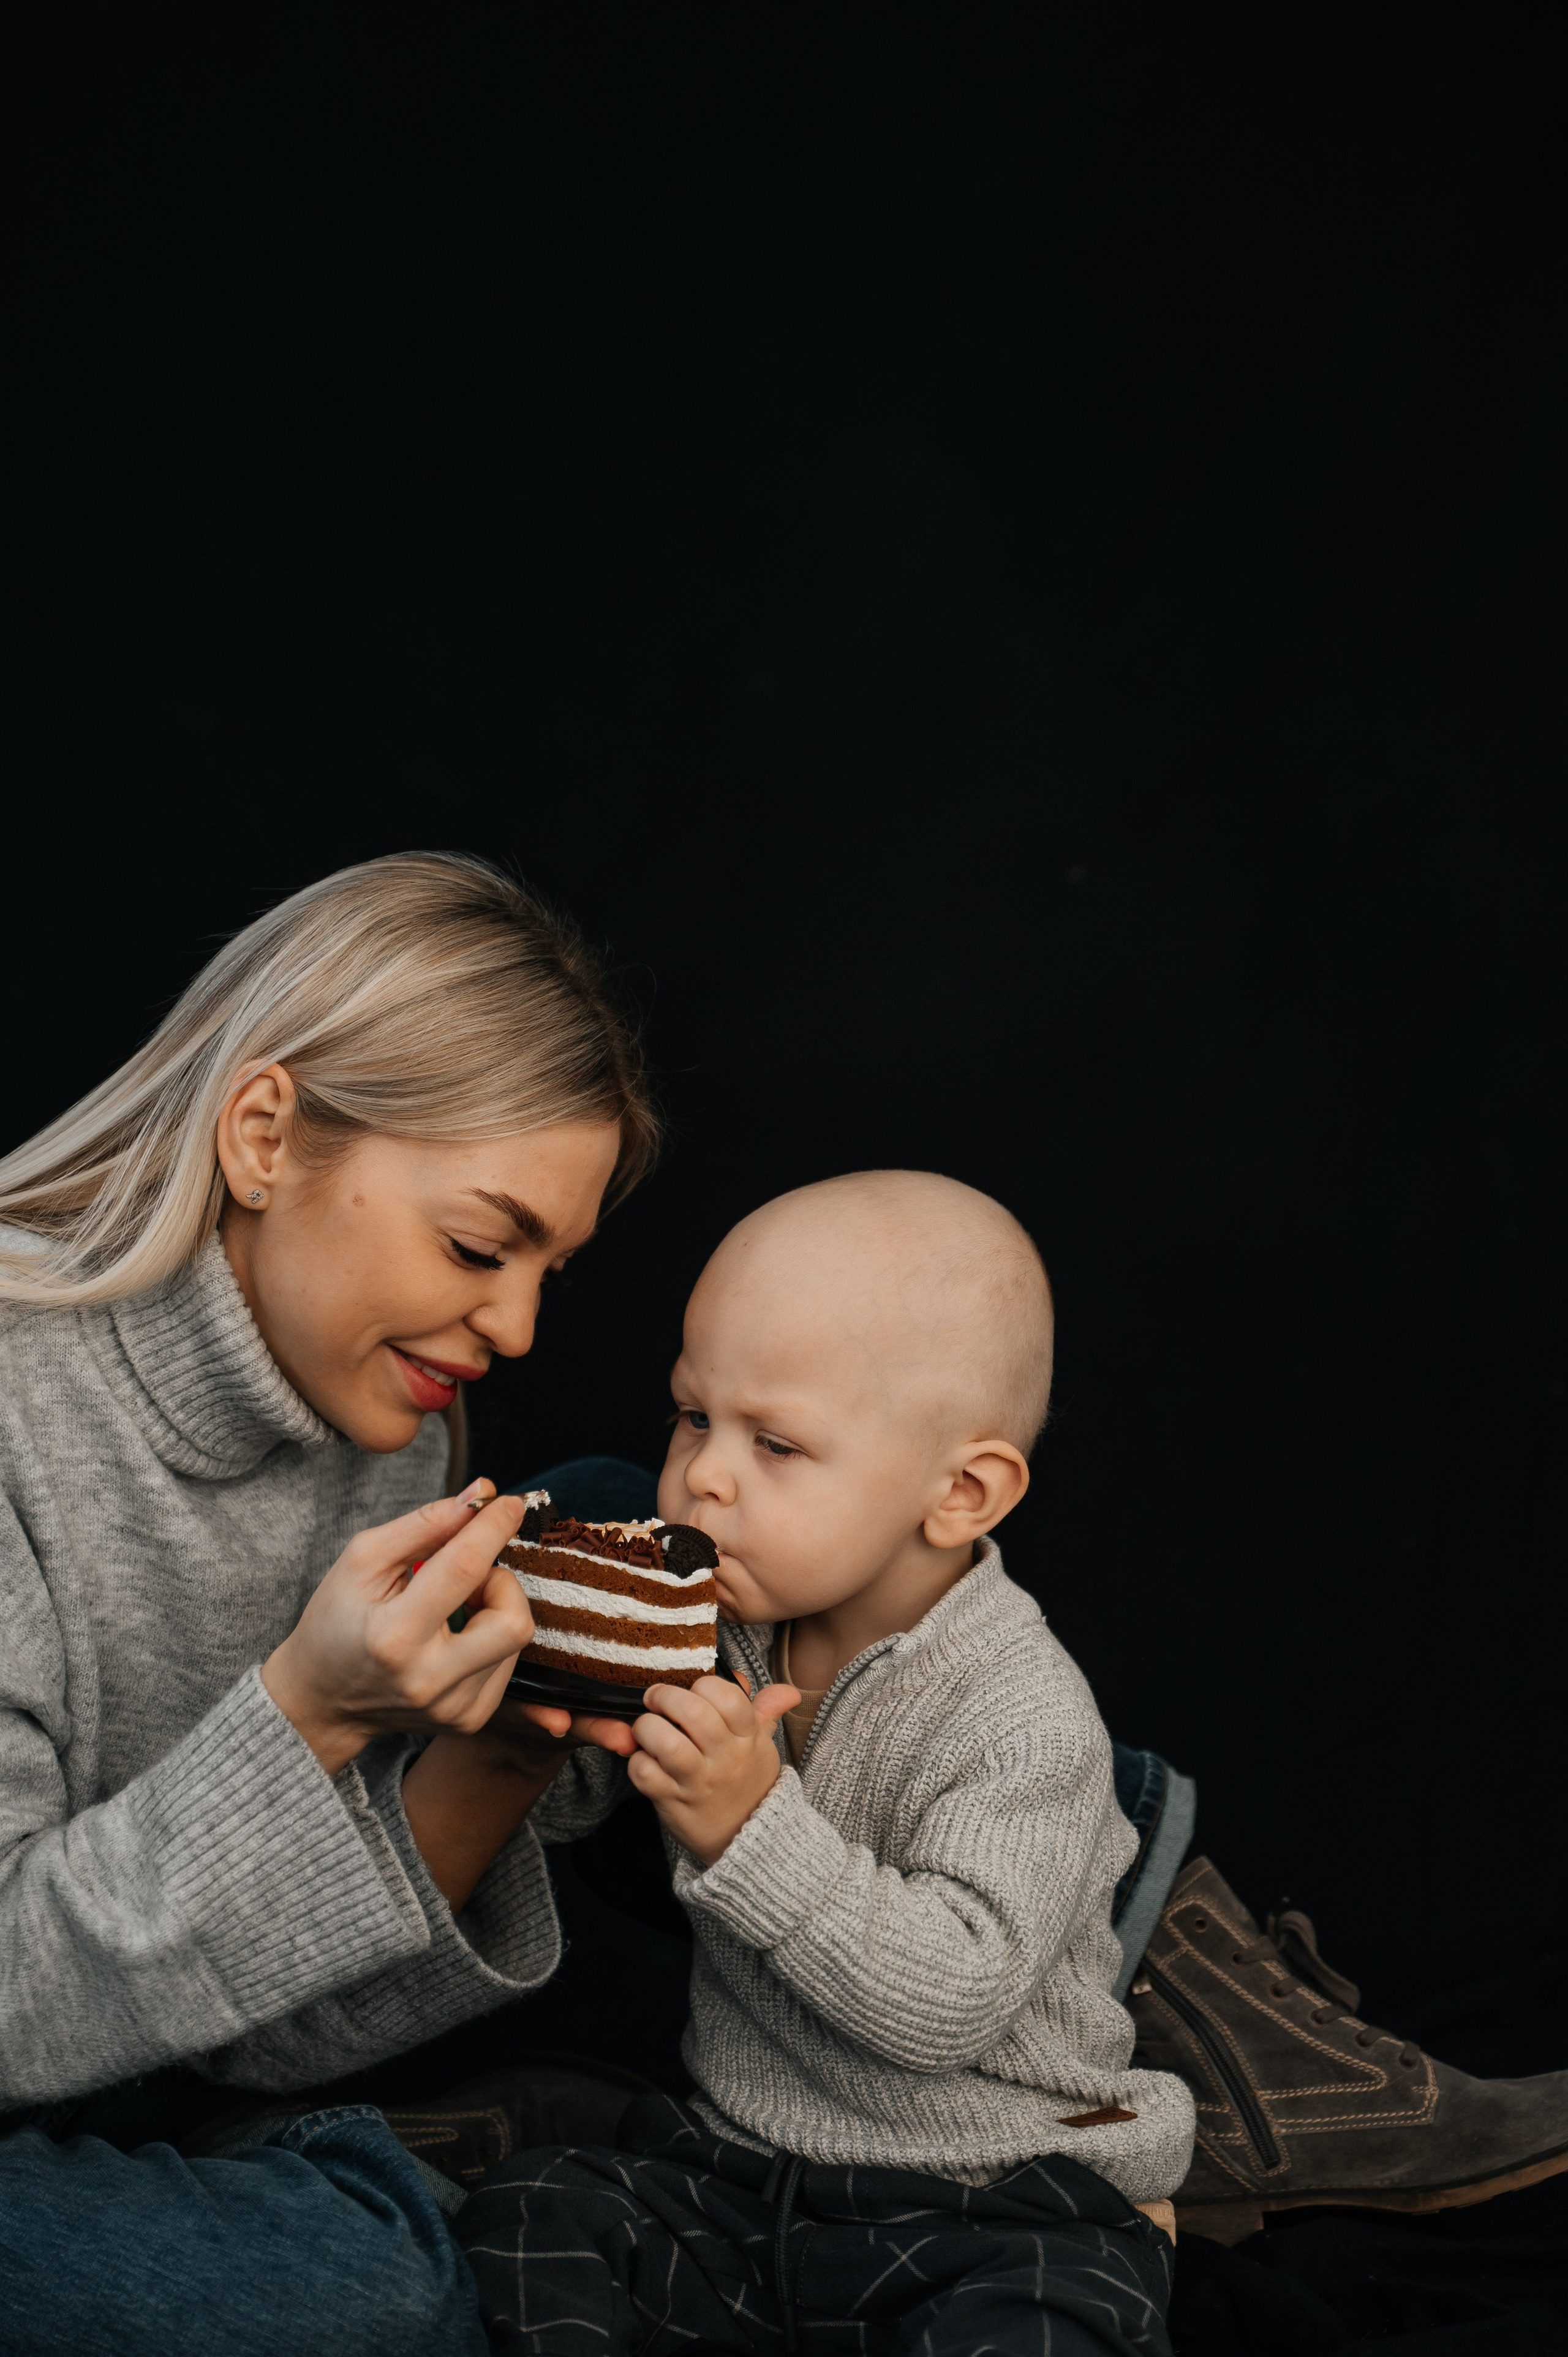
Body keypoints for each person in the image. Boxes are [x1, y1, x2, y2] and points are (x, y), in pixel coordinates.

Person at [0, 852, 661, 2357]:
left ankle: (1036, 2023)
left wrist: (500, 1764)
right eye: (480, 1247)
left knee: (636, 1516)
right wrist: (309, 1712)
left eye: (549, 1268)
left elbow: (246, 2027)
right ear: (264, 1134)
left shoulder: (397, 1445)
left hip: (119, 2102)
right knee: (353, 2289)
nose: (514, 1324)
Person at [458, 1173, 1189, 2355]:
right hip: (746, 2173)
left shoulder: (1023, 1717)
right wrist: (542, 1729)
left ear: (961, 1493)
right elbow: (584, 1806)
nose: (704, 1475)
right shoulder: (712, 1624)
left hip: (997, 2195)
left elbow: (946, 2005)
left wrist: (749, 1828)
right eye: (695, 1416)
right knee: (536, 2219)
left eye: (778, 1442)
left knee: (1044, 2333)